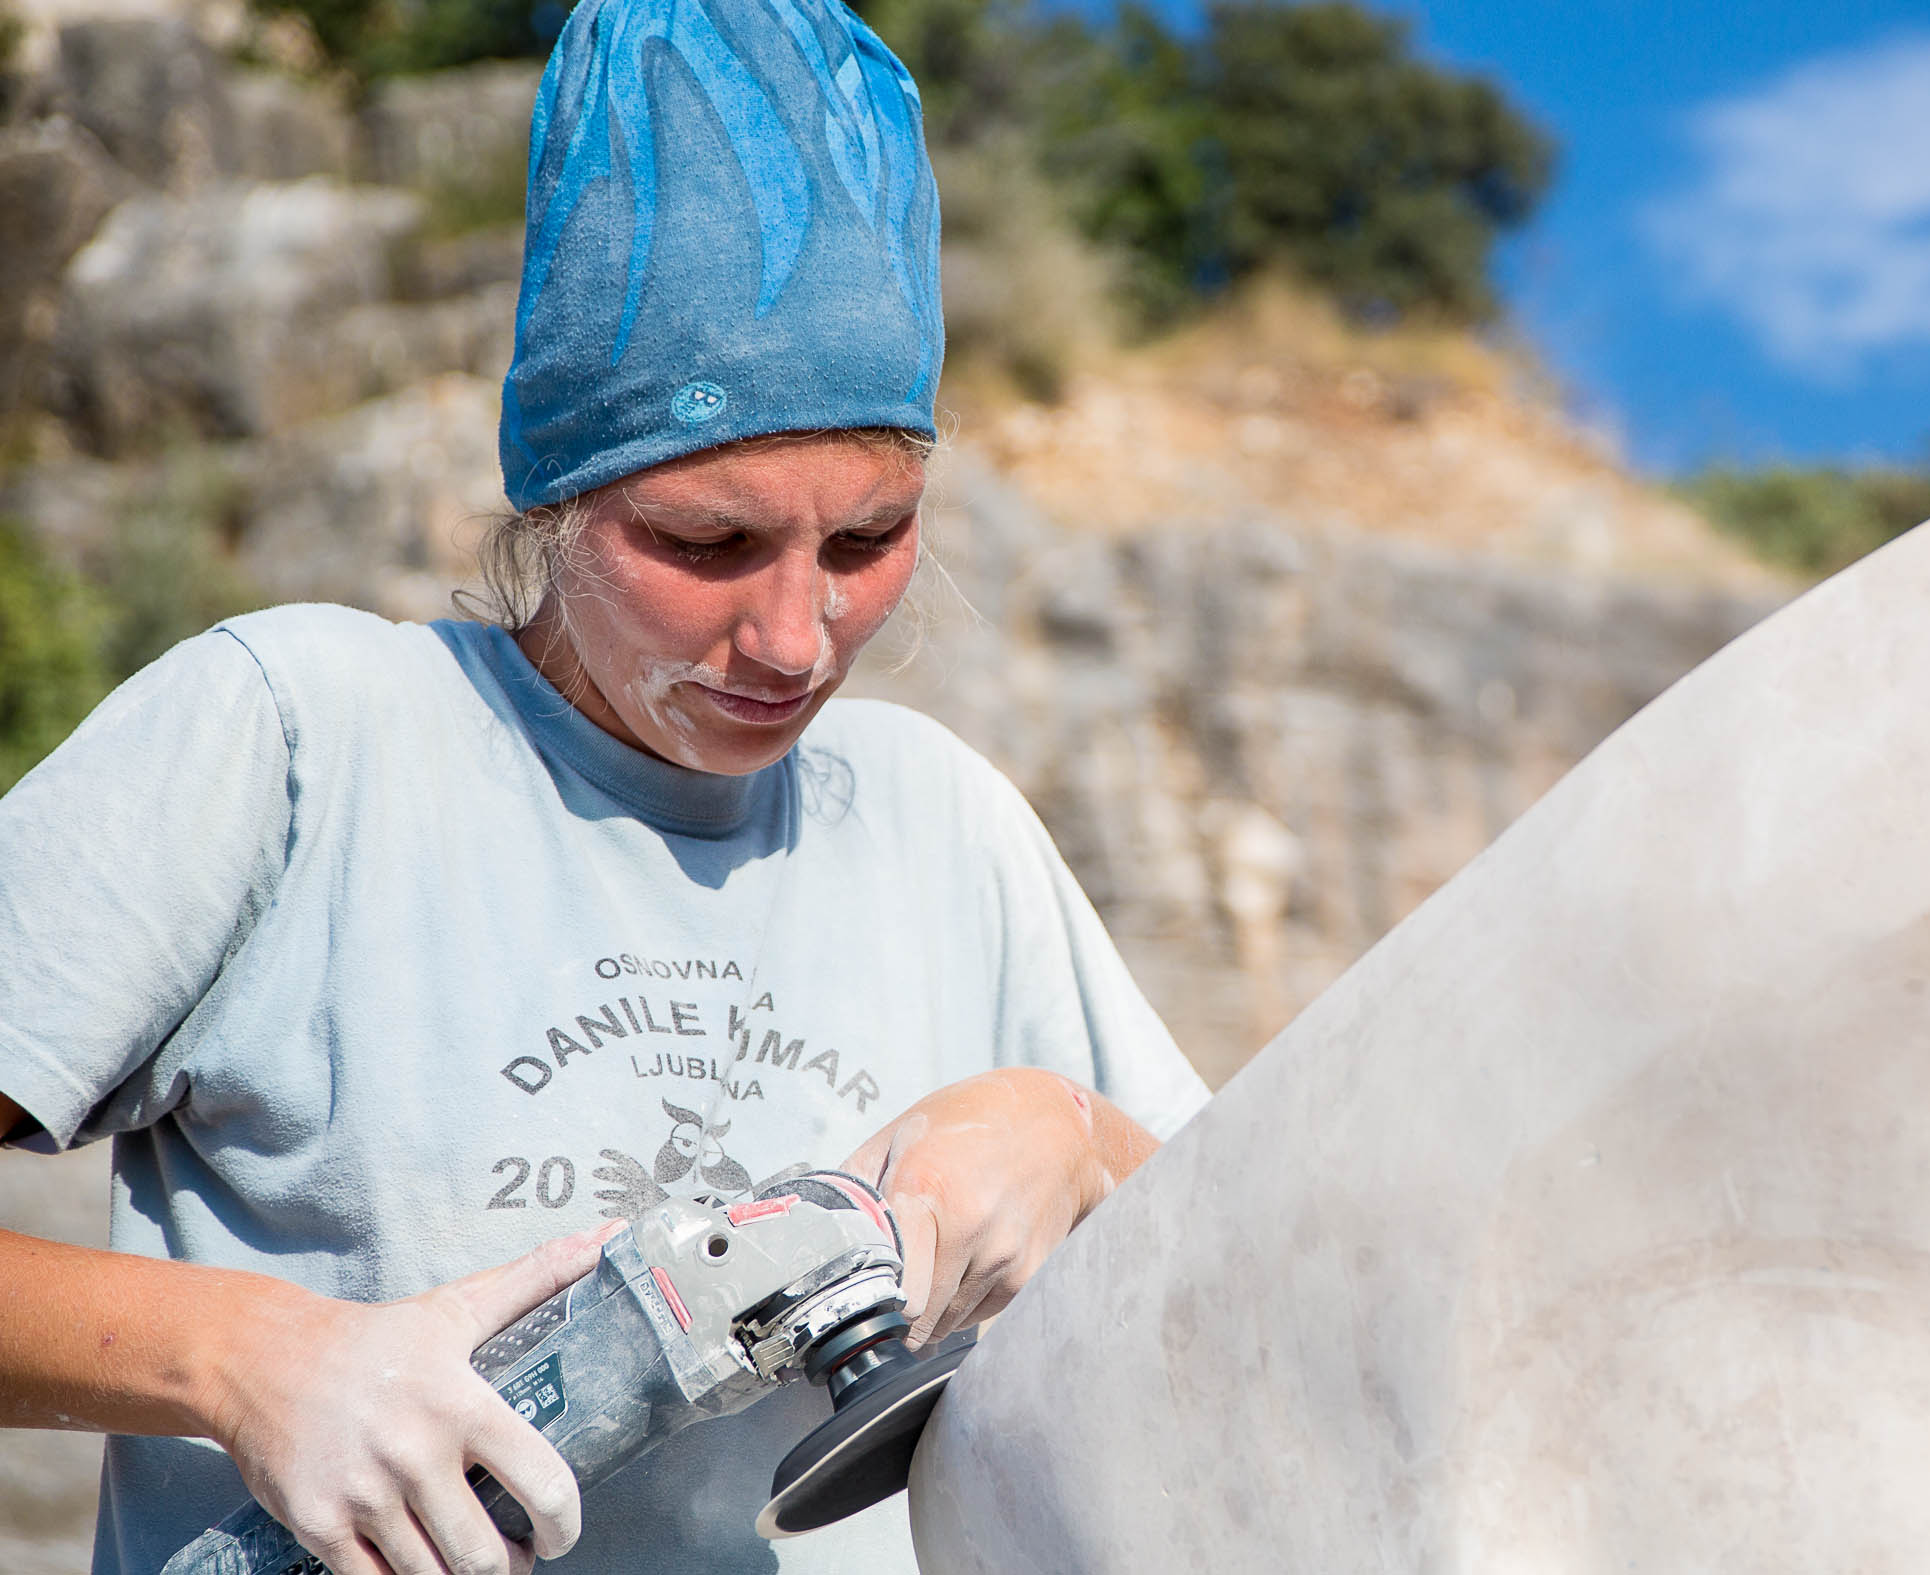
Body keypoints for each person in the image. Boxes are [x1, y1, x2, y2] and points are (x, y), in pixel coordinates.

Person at [0, 2, 1209, 1572]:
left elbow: (1263, 1274)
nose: (792, 635)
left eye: (867, 540)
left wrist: (1068, 1135)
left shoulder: (944, 819)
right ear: (556, 497)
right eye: (703, 544)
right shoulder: (301, 737)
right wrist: (245, 1362)